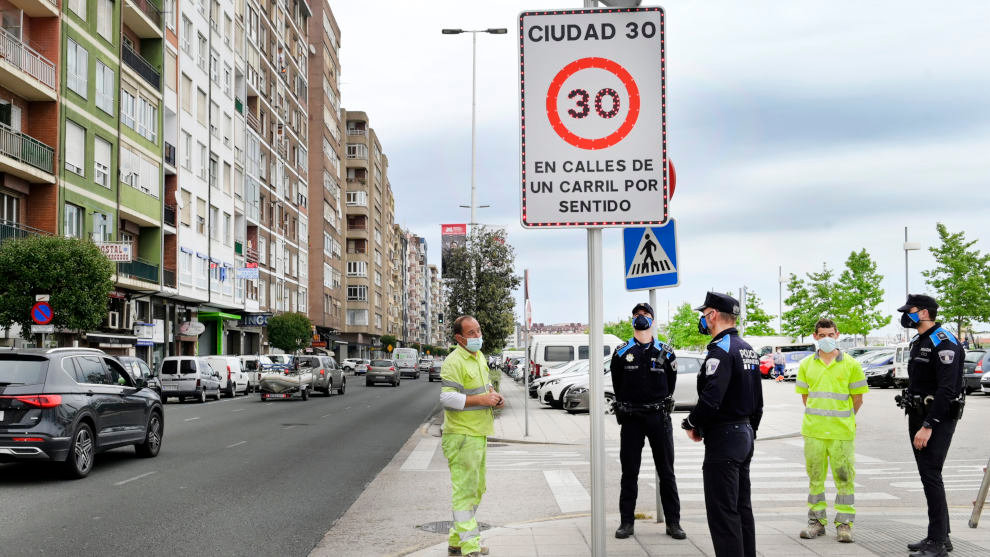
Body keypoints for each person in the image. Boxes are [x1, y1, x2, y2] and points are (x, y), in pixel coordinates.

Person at [681, 292, 763, 557]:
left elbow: (712, 397)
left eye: (704, 315)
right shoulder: (747, 348)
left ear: (713, 315)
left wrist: (693, 422)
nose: (703, 321)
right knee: (741, 509)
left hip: (725, 438)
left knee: (723, 514)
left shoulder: (722, 349)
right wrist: (751, 431)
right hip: (745, 434)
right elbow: (758, 400)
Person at [898, 295, 965, 557]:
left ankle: (938, 543)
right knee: (929, 476)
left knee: (931, 475)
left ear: (924, 313)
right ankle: (939, 535)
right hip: (919, 414)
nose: (906, 316)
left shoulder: (943, 342)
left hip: (935, 418)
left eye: (910, 311)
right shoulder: (921, 340)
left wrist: (928, 425)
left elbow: (947, 389)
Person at [612, 302, 685, 541]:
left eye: (645, 315)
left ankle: (674, 523)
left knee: (667, 472)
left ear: (653, 320)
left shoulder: (666, 351)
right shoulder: (621, 352)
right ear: (631, 320)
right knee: (629, 472)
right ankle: (626, 522)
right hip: (632, 418)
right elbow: (617, 384)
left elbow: (670, 384)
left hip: (658, 417)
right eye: (636, 315)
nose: (641, 318)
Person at [794, 318, 868, 544]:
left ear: (837, 335)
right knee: (815, 478)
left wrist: (843, 419)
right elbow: (806, 398)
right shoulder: (806, 364)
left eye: (830, 334)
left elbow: (858, 399)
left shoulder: (851, 365)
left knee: (845, 479)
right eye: (822, 335)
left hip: (841, 434)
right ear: (815, 336)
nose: (826, 338)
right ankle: (816, 522)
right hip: (814, 432)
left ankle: (844, 524)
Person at [439, 315, 505, 557]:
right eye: (471, 333)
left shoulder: (479, 357)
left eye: (478, 330)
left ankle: (457, 541)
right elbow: (446, 398)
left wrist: (494, 397)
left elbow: (485, 388)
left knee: (476, 490)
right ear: (459, 338)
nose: (478, 336)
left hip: (478, 433)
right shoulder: (453, 361)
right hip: (462, 435)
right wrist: (482, 399)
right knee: (464, 492)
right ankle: (469, 546)